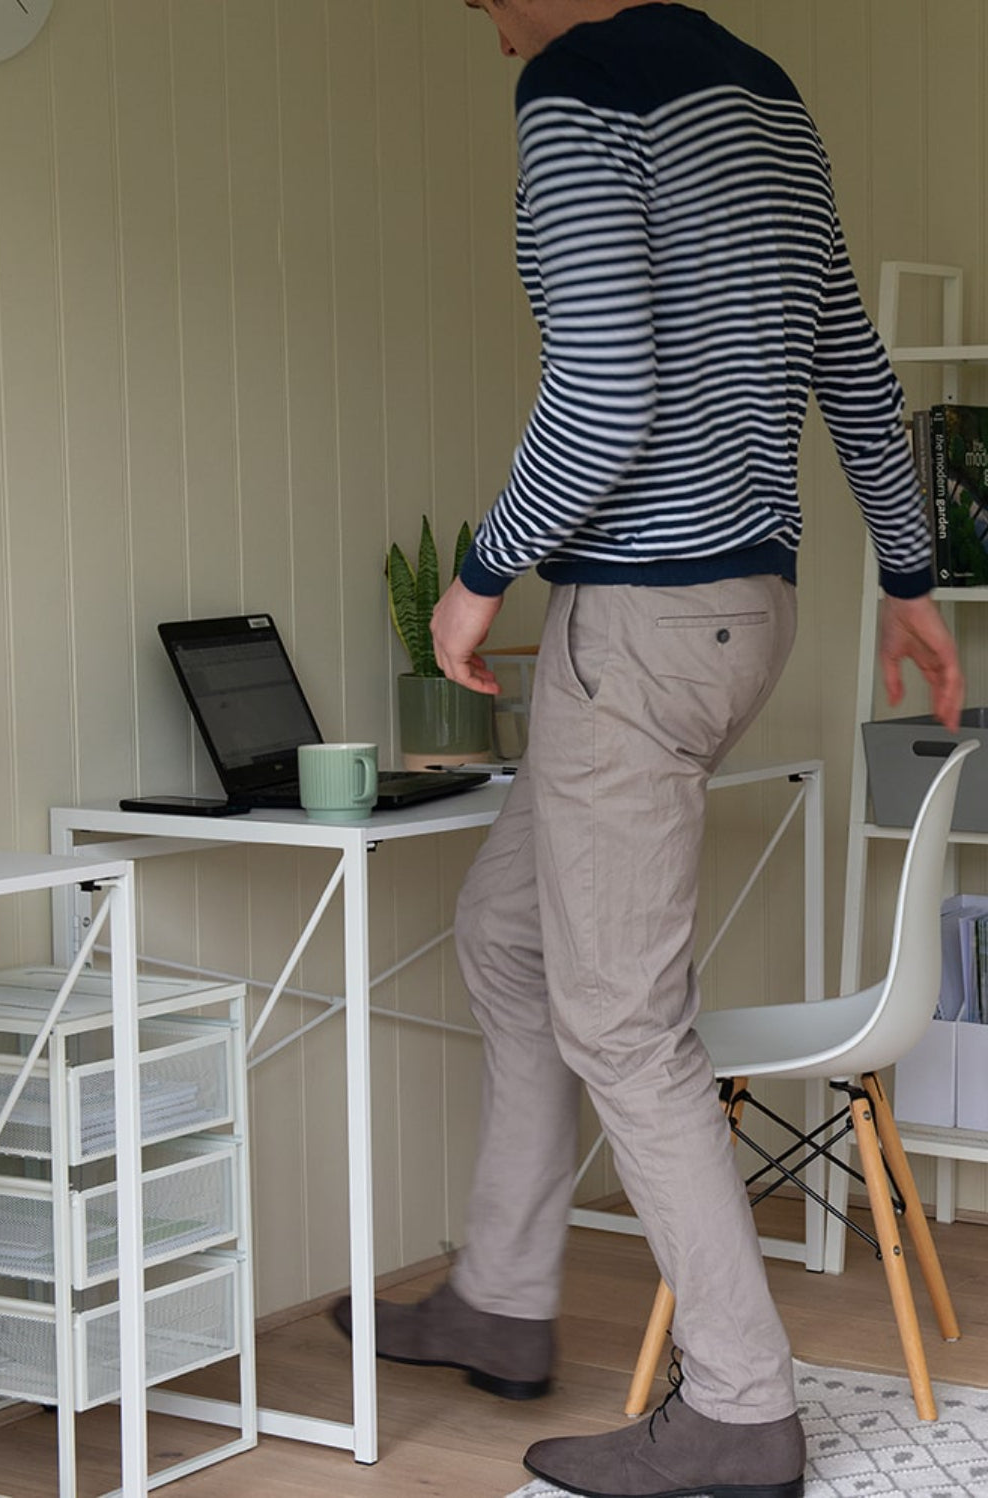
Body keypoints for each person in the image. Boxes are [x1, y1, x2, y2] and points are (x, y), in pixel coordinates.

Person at [336, 4, 964, 1495]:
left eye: (491, 5)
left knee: (623, 1022)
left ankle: (742, 1405)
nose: (497, 37)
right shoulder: (761, 90)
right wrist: (912, 572)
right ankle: (500, 1295)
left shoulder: (581, 89)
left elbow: (607, 385)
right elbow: (850, 357)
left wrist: (481, 571)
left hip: (638, 616)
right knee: (507, 933)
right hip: (748, 607)